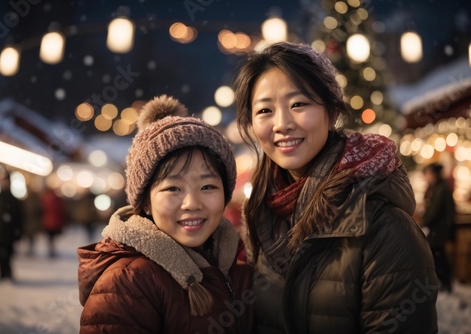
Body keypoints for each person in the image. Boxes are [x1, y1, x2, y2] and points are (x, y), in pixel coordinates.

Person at [232, 42, 438, 333]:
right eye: (265, 110)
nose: (282, 123)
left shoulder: (386, 228)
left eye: (298, 104)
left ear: (331, 112)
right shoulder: (261, 217)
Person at [77, 95, 254, 334]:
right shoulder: (128, 281)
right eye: (173, 188)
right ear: (145, 202)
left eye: (208, 187)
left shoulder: (238, 261)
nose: (191, 203)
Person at [422, 162, 455, 292]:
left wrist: (425, 223)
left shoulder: (441, 188)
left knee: (438, 255)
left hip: (439, 230)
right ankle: (443, 281)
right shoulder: (437, 187)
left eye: (428, 174)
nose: (427, 177)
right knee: (438, 255)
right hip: (438, 229)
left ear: (434, 174)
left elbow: (435, 211)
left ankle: (444, 281)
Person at [0, 173, 23, 280]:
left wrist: (18, 232)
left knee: (7, 255)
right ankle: (3, 274)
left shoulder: (12, 200)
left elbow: (19, 217)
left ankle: (6, 274)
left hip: (8, 233)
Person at [41, 187, 66, 258]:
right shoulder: (58, 200)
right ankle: (52, 249)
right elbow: (61, 211)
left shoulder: (45, 199)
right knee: (52, 238)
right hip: (54, 222)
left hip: (48, 221)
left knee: (50, 237)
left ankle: (51, 249)